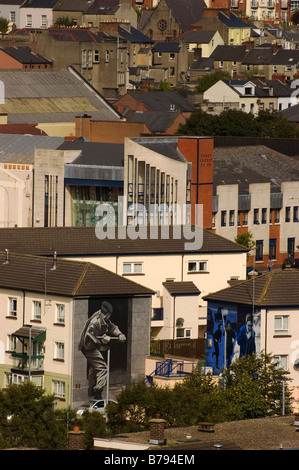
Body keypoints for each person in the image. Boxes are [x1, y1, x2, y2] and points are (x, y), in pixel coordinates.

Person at [78, 301, 126, 399]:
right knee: (103, 368)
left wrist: (120, 334)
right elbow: (89, 335)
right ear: (107, 314)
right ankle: (98, 390)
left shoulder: (104, 319)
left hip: (92, 346)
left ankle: (91, 389)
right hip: (88, 346)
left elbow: (112, 327)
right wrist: (102, 341)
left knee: (95, 368)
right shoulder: (95, 321)